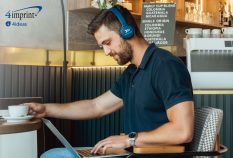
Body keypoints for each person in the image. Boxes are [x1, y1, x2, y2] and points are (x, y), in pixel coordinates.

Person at [27, 5, 194, 158]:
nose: (106, 52)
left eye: (107, 43)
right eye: (102, 46)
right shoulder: (132, 72)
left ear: (127, 31)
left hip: (149, 154)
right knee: (53, 155)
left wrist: (129, 140)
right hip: (130, 153)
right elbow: (96, 106)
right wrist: (45, 110)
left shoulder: (166, 66)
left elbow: (182, 131)